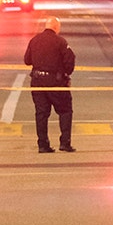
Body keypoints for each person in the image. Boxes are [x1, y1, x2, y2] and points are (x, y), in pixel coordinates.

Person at [23, 16, 77, 153]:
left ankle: (43, 144)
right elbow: (70, 60)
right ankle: (65, 143)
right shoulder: (60, 41)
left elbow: (27, 60)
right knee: (65, 111)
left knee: (41, 113)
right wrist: (65, 74)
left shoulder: (34, 40)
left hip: (37, 82)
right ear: (56, 27)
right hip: (56, 83)